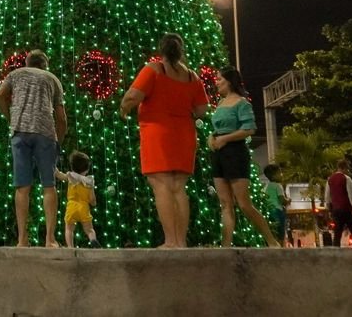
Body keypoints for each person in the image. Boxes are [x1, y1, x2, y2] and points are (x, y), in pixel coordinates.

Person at [119, 33, 208, 248]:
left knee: (161, 185)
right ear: (181, 50)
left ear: (162, 49)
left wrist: (123, 109)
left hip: (158, 133)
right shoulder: (192, 76)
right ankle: (181, 241)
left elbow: (133, 95)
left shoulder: (154, 69)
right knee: (178, 187)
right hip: (184, 135)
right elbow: (202, 110)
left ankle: (169, 241)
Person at [0, 49, 67, 246]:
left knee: (22, 187)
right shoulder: (52, 79)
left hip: (20, 132)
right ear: (45, 65)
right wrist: (57, 141)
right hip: (45, 133)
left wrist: (11, 118)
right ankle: (50, 239)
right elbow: (62, 119)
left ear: (27, 63)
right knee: (49, 185)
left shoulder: (15, 74)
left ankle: (22, 240)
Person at [208, 68, 280, 247]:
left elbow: (249, 129)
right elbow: (218, 127)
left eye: (219, 79)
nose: (216, 82)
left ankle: (271, 240)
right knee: (225, 203)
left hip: (235, 153)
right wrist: (213, 137)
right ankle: (225, 244)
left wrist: (225, 138)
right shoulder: (220, 103)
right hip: (218, 153)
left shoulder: (242, 103)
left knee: (244, 203)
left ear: (229, 82)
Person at [55, 151, 99, 248]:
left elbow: (59, 175)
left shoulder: (71, 176)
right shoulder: (89, 182)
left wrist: (54, 168)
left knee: (69, 228)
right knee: (89, 229)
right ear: (86, 169)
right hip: (84, 207)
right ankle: (93, 239)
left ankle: (70, 247)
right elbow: (92, 199)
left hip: (72, 206)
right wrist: (94, 203)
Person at [326, 159, 352, 247]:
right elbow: (351, 196)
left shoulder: (330, 179)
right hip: (346, 209)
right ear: (344, 168)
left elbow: (327, 197)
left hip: (336, 210)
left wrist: (329, 210)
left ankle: (336, 252)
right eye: (347, 169)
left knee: (337, 233)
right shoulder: (347, 179)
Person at [263, 163, 289, 245]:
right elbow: (281, 200)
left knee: (272, 231)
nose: (282, 175)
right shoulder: (278, 186)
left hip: (269, 210)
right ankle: (280, 248)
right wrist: (288, 200)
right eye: (280, 173)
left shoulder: (266, 186)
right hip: (277, 210)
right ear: (273, 176)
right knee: (280, 232)